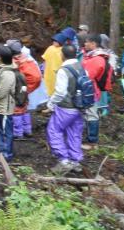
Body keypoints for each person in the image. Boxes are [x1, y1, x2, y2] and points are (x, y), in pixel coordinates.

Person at [46, 44, 85, 174]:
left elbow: (61, 92)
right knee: (75, 132)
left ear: (62, 55)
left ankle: (64, 160)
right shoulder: (81, 66)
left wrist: (51, 103)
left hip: (66, 108)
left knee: (54, 130)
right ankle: (75, 161)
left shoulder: (64, 70)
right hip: (79, 107)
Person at [81, 34, 112, 148]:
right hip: (91, 90)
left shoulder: (96, 59)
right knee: (90, 113)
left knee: (92, 114)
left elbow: (87, 76)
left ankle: (92, 141)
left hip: (91, 91)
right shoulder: (92, 56)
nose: (85, 44)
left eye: (87, 42)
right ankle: (89, 138)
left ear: (93, 44)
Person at [7, 40, 42, 139]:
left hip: (19, 89)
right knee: (24, 108)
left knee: (16, 110)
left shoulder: (17, 62)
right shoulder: (26, 58)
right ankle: (27, 129)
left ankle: (18, 133)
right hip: (26, 89)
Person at [97, 34, 118, 115]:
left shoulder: (109, 54)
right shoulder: (103, 52)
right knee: (104, 92)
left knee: (105, 92)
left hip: (107, 77)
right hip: (105, 76)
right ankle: (104, 107)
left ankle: (105, 109)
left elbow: (111, 67)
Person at [42, 32, 67, 96]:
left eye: (56, 41)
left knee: (56, 85)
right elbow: (45, 58)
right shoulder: (50, 48)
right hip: (48, 70)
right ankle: (47, 97)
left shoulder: (63, 50)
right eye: (54, 40)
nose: (54, 42)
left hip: (58, 71)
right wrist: (43, 68)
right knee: (47, 84)